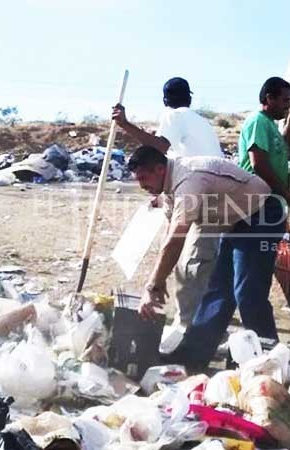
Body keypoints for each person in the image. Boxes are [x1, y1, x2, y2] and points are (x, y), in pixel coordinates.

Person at [127, 146, 283, 370]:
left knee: (247, 293)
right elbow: (168, 237)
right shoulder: (169, 187)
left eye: (144, 178)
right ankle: (192, 356)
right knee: (218, 290)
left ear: (160, 169)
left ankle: (270, 359)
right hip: (235, 220)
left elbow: (176, 239)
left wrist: (153, 286)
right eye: (137, 180)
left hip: (262, 214)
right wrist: (156, 280)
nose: (142, 186)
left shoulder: (189, 181)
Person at [111, 77, 223, 332]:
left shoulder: (174, 116)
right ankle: (196, 314)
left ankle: (188, 328)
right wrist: (163, 195)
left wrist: (125, 124)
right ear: (190, 97)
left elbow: (161, 146)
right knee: (190, 258)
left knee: (191, 262)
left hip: (203, 196)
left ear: (165, 100)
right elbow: (175, 160)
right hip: (203, 192)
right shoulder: (200, 121)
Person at [238, 76, 290, 331]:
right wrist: (285, 194)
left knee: (285, 259)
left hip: (273, 207)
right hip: (260, 207)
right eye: (283, 100)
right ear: (268, 99)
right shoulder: (257, 122)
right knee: (268, 265)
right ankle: (286, 320)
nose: (286, 105)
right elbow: (259, 163)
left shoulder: (271, 125)